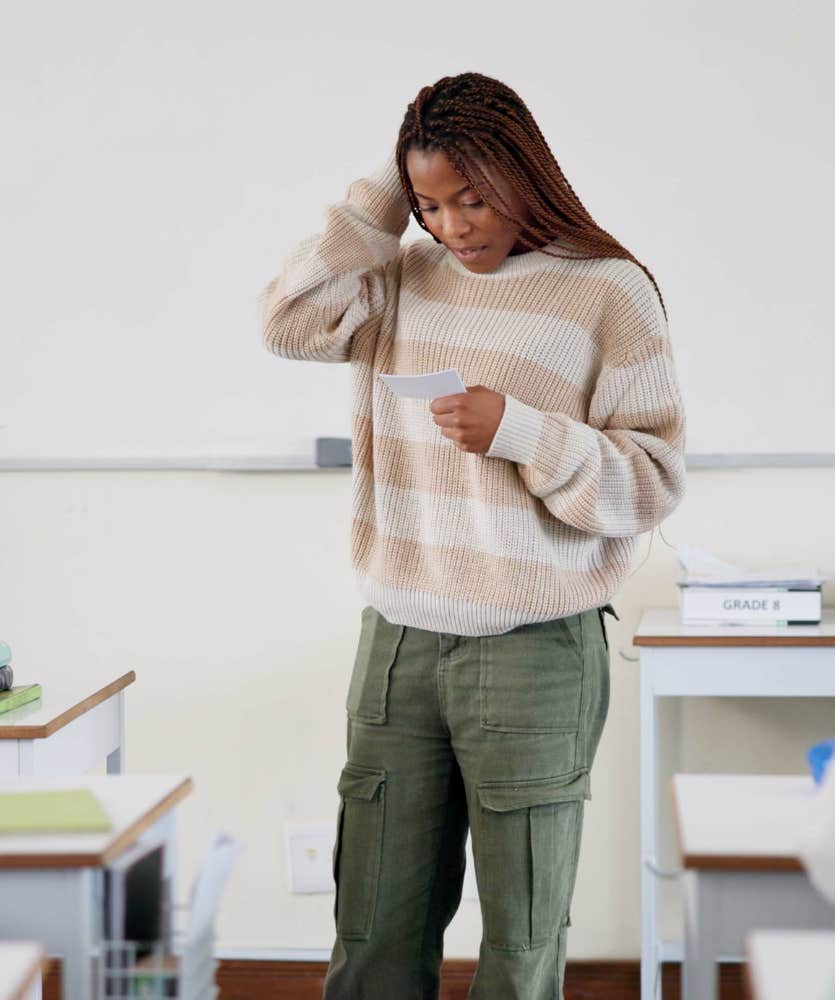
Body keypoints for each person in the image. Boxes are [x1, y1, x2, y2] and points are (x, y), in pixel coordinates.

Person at [258, 71, 686, 1000]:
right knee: (370, 929)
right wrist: (391, 177)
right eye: (430, 204)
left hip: (536, 651)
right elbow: (287, 322)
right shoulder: (399, 277)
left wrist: (523, 432)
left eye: (474, 195)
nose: (454, 226)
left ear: (520, 169)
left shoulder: (609, 293)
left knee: (521, 944)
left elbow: (652, 481)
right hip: (398, 641)